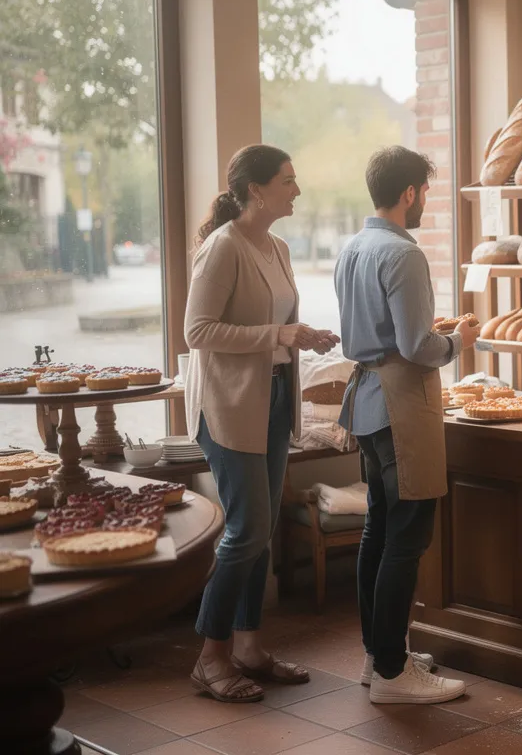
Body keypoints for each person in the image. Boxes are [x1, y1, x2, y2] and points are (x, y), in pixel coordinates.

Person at [185, 144, 339, 703]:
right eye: (287, 180)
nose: (296, 190)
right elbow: (197, 332)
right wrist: (276, 337)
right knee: (246, 531)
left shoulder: (275, 246)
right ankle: (210, 657)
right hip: (228, 406)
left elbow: (276, 321)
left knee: (261, 529)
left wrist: (305, 335)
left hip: (273, 399)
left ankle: (248, 648)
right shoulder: (222, 248)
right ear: (255, 190)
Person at [335, 146, 477, 704]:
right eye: (426, 192)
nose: (426, 202)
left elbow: (386, 332)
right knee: (408, 537)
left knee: (378, 530)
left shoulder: (353, 248)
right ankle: (394, 675)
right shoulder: (403, 254)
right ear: (411, 193)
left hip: (365, 400)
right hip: (400, 405)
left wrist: (428, 334)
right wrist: (463, 338)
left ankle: (379, 655)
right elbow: (418, 346)